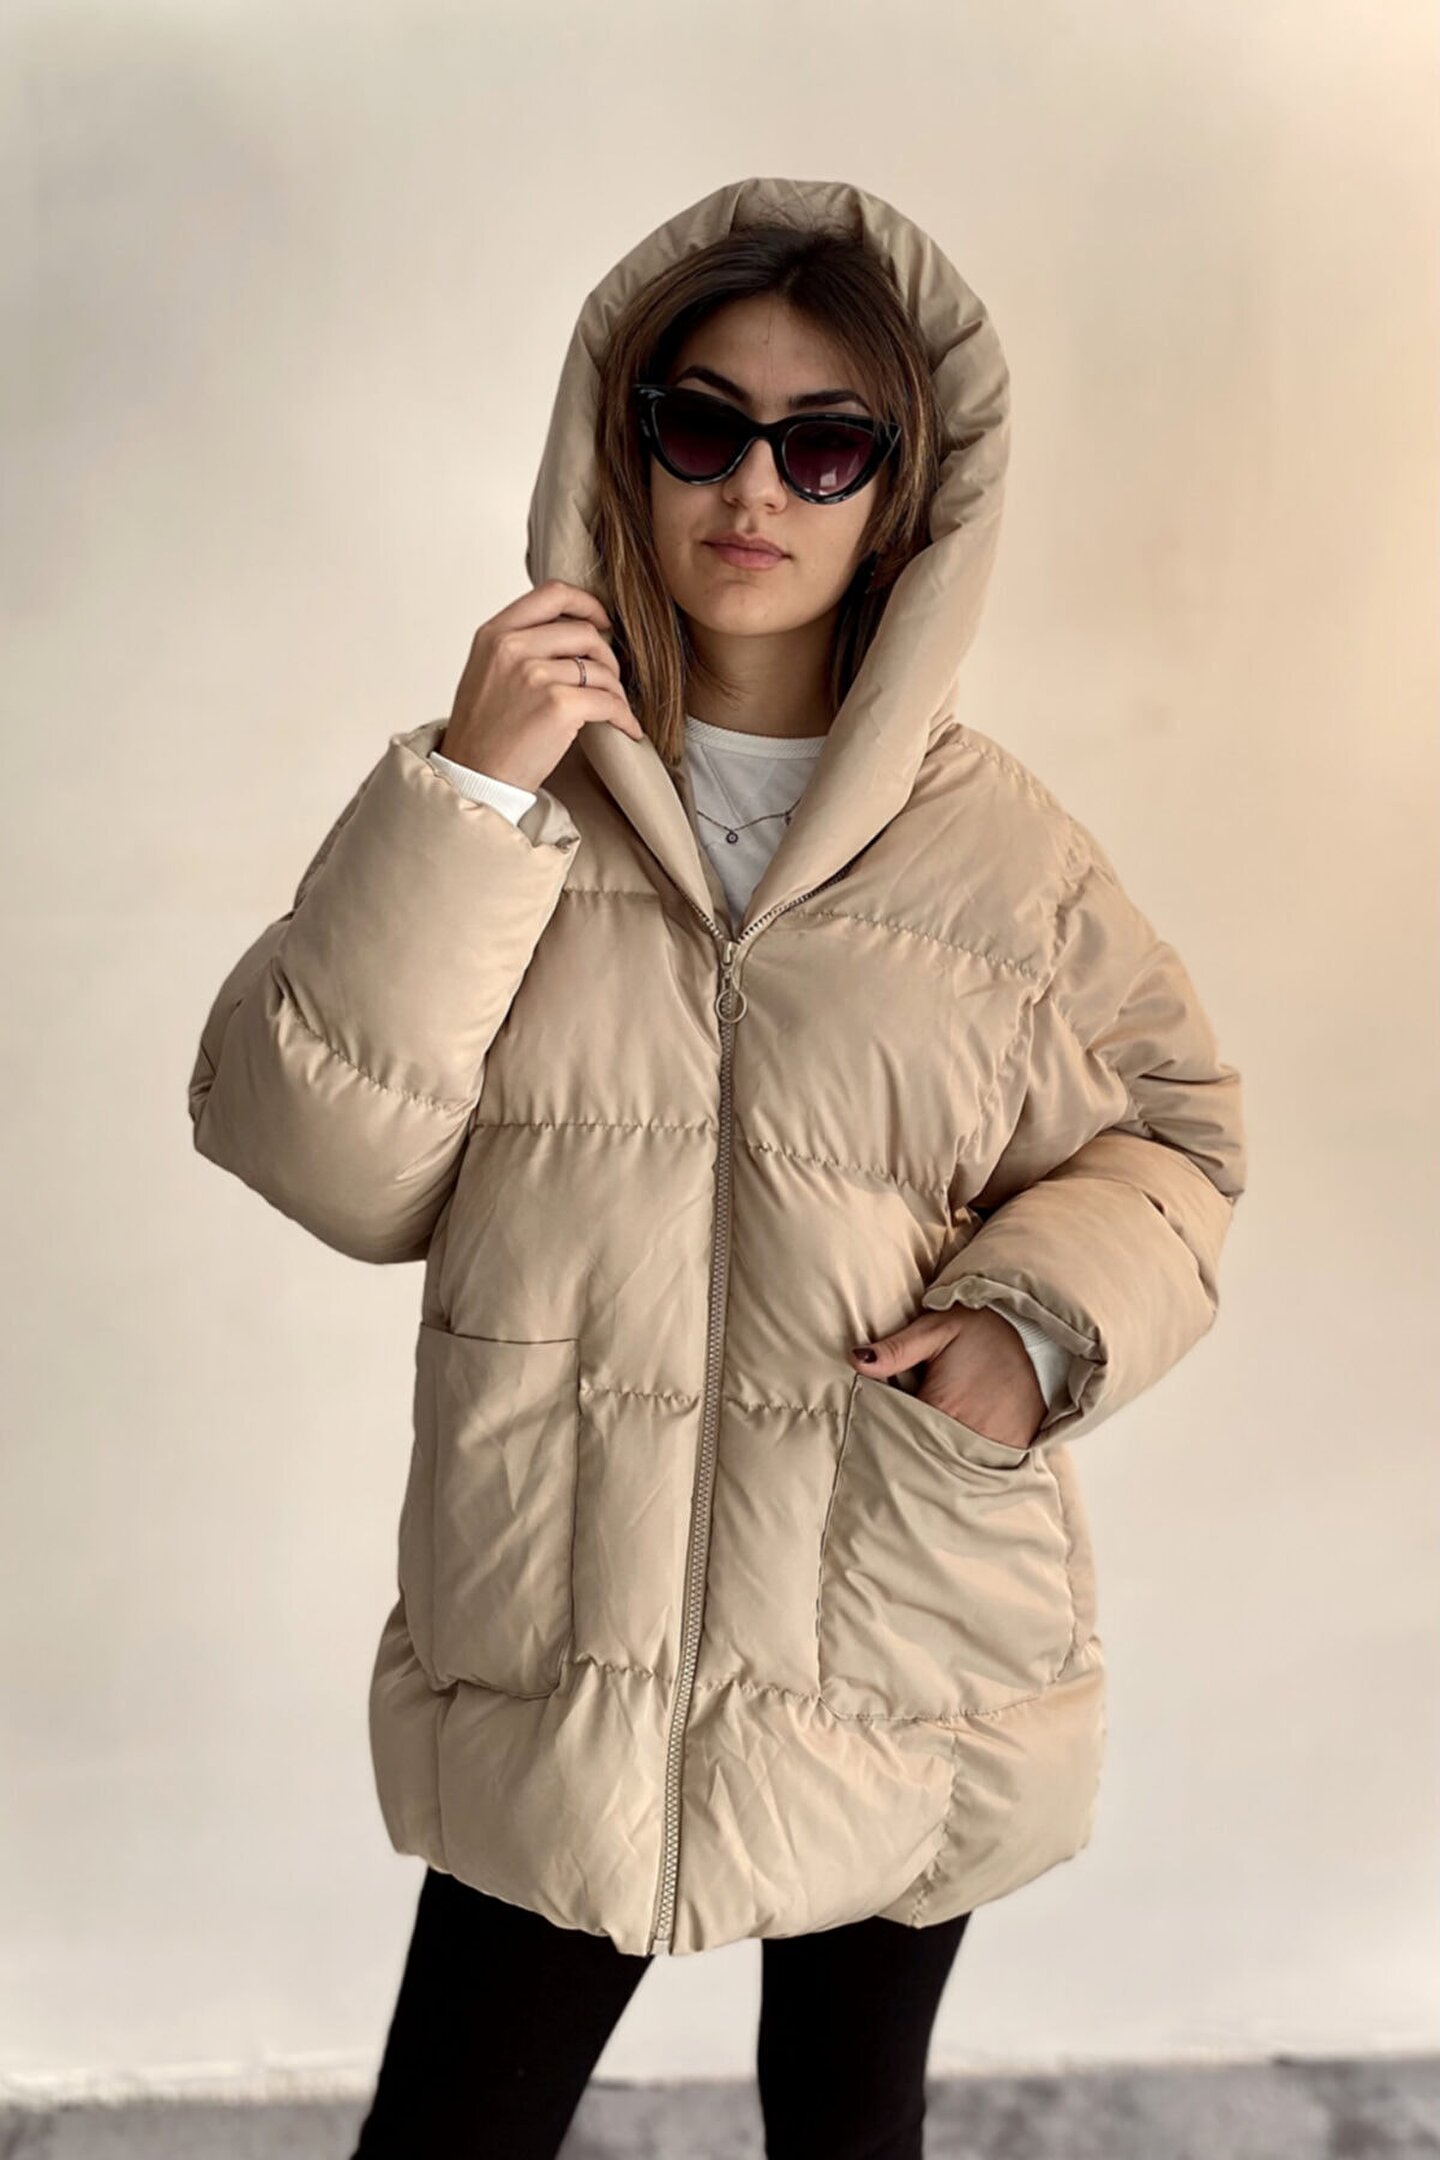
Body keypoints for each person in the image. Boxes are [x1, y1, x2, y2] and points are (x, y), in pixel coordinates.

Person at [187, 175, 1248, 2158]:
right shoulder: (492, 791)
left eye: (825, 444)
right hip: (564, 1616)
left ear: (901, 501)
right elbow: (326, 1160)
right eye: (703, 425)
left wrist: (1038, 1327)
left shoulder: (1004, 858)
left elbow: (1176, 1135)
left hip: (895, 1598)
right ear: (628, 449)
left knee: (847, 2130)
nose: (756, 486)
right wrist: (474, 789)